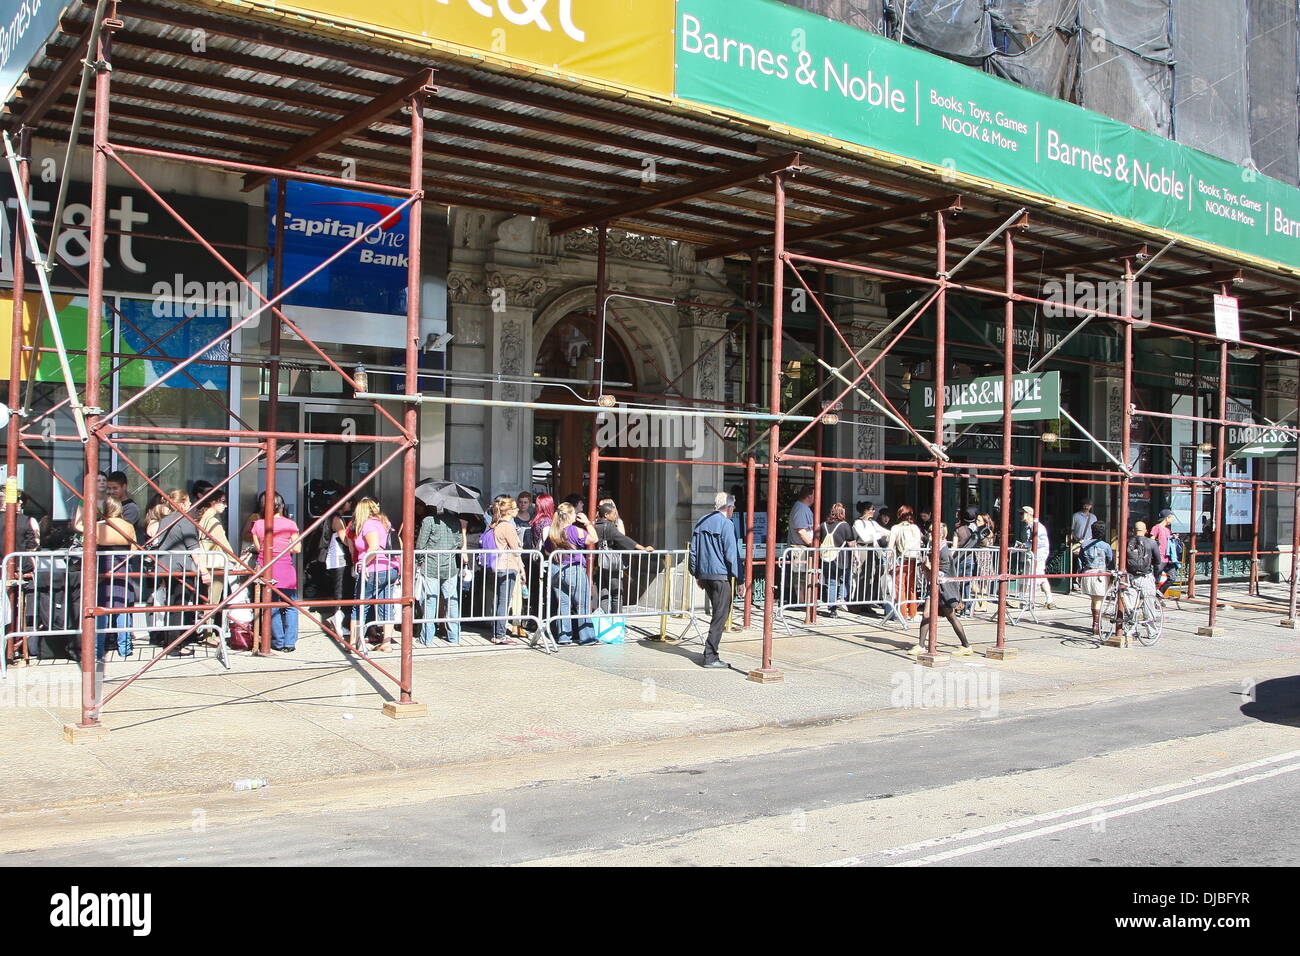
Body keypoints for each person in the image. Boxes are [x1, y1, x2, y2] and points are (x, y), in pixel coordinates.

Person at [690, 492, 743, 669]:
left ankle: (709, 653)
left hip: (705, 574)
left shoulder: (702, 521)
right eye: (733, 507)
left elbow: (693, 551)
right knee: (720, 615)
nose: (734, 511)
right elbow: (731, 554)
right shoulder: (726, 524)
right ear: (728, 508)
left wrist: (696, 573)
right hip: (720, 575)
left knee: (717, 614)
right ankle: (711, 656)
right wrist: (740, 578)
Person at [908, 523, 973, 657]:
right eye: (930, 532)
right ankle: (921, 645)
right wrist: (927, 568)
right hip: (934, 586)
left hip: (943, 588)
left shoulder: (943, 550)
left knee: (951, 616)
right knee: (927, 614)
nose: (930, 534)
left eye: (933, 532)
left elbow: (944, 571)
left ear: (941, 534)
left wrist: (929, 566)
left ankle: (966, 645)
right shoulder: (934, 548)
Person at [153, 489, 204, 654]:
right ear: (182, 502)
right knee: (179, 604)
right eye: (188, 501)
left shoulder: (165, 520)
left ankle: (169, 640)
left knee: (172, 603)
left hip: (165, 567)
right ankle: (174, 645)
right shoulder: (185, 520)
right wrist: (204, 572)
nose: (190, 504)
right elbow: (193, 549)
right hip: (181, 568)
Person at [251, 492, 302, 653]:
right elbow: (297, 548)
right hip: (286, 568)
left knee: (270, 606)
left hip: (266, 568)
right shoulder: (290, 524)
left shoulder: (258, 524)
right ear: (282, 505)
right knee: (291, 606)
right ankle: (290, 642)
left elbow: (259, 548)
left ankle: (278, 641)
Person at [544, 501, 597, 645]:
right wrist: (587, 523)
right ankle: (587, 637)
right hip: (573, 568)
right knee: (582, 604)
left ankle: (564, 636)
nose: (576, 515)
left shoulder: (553, 531)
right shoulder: (574, 530)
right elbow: (593, 538)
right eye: (574, 513)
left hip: (556, 569)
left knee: (563, 605)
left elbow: (547, 550)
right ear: (568, 515)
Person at [349, 497, 398, 651]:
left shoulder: (368, 524)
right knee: (386, 606)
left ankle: (352, 643)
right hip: (390, 568)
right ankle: (386, 643)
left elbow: (374, 547)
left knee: (359, 606)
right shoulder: (384, 522)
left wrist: (364, 564)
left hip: (373, 569)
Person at [94, 497, 138, 660]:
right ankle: (124, 648)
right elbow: (134, 548)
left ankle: (98, 649)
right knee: (123, 607)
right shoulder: (128, 526)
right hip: (124, 566)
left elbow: (90, 547)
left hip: (102, 567)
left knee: (101, 609)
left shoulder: (98, 527)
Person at [416, 503, 464, 646]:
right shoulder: (455, 520)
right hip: (450, 566)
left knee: (430, 601)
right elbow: (459, 542)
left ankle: (427, 638)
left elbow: (420, 544)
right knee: (452, 601)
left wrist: (419, 560)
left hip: (431, 565)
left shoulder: (428, 520)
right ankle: (454, 637)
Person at [594, 500, 652, 613]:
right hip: (611, 564)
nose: (615, 516)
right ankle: (617, 621)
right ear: (606, 515)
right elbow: (624, 540)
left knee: (604, 592)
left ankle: (604, 621)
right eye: (613, 513)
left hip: (600, 563)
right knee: (616, 592)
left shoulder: (596, 525)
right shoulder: (609, 527)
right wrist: (643, 548)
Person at [487, 497, 524, 645]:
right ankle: (500, 634)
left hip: (498, 565)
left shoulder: (495, 524)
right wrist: (520, 545)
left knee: (499, 600)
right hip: (508, 565)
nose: (517, 510)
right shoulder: (507, 526)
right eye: (515, 508)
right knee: (504, 601)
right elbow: (515, 549)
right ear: (508, 511)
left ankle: (497, 632)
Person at [195, 490, 231, 644]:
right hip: (214, 564)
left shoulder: (203, 518)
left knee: (207, 600)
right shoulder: (213, 521)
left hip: (204, 563)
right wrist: (235, 560)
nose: (225, 505)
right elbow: (225, 545)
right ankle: (208, 635)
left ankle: (205, 632)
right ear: (212, 502)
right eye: (222, 501)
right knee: (213, 601)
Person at [852, 501, 889, 617]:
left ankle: (866, 603)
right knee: (859, 576)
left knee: (870, 576)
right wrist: (878, 535)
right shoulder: (858, 523)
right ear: (866, 510)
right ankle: (856, 602)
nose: (874, 511)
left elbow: (885, 531)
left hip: (872, 550)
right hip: (862, 549)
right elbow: (865, 537)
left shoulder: (873, 523)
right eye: (872, 509)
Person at [887, 505, 923, 621]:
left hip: (900, 560)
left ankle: (902, 613)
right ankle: (912, 612)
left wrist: (888, 562)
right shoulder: (915, 528)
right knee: (911, 586)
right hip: (913, 560)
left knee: (900, 587)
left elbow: (890, 547)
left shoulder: (895, 528)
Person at [1124, 521, 1163, 628]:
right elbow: (1158, 562)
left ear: (1134, 531)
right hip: (1146, 576)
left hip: (1130, 577)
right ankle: (1151, 631)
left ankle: (1130, 628)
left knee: (1130, 604)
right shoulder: (1152, 543)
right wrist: (1156, 578)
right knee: (1148, 604)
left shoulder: (1127, 542)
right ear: (1146, 531)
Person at [1078, 520, 1114, 635]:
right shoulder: (1106, 546)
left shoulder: (1084, 545)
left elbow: (1080, 561)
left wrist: (1079, 575)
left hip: (1088, 572)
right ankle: (1096, 625)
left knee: (1093, 599)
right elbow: (1110, 560)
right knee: (1099, 600)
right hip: (1100, 574)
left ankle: (1095, 623)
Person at [952, 506, 989, 616]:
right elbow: (985, 541)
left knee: (957, 583)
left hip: (959, 559)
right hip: (970, 558)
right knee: (967, 583)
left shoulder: (958, 530)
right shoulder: (977, 530)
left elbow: (954, 546)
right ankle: (967, 607)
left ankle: (959, 605)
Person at [817, 502, 853, 615]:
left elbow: (818, 539)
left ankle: (832, 609)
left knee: (832, 582)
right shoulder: (845, 525)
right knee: (844, 580)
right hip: (841, 558)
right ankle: (841, 599)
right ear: (841, 513)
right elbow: (851, 543)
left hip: (827, 557)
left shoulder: (823, 525)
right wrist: (856, 556)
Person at [1021, 506, 1056, 609]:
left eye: (1022, 513)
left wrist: (1027, 545)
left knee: (1035, 578)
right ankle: (1049, 599)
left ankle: (1028, 600)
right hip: (1031, 555)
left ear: (1029, 514)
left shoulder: (1037, 527)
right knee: (1040, 576)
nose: (1020, 516)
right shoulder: (1027, 526)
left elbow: (1041, 542)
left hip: (1038, 556)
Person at [1151, 508, 1178, 594]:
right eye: (1171, 518)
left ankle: (1159, 594)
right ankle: (1152, 598)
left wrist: (1173, 538)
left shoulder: (1167, 530)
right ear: (1167, 518)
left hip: (1169, 558)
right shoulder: (1156, 528)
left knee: (1172, 578)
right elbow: (1151, 540)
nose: (1172, 520)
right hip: (1160, 557)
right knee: (1156, 580)